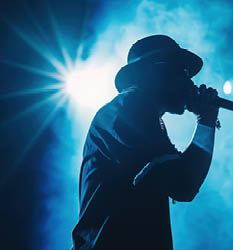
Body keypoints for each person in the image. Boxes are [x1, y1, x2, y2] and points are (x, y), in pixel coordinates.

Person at [72, 35, 219, 250]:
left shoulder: (141, 114)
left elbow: (183, 181)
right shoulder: (130, 107)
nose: (190, 83)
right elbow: (184, 185)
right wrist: (205, 120)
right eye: (183, 72)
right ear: (155, 72)